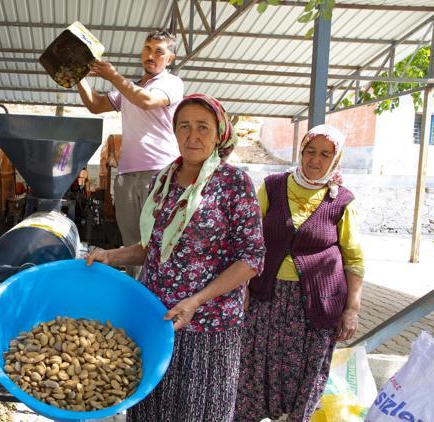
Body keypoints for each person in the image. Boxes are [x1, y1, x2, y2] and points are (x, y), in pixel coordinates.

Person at [86, 93, 265, 420]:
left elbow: (251, 259)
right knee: (151, 409)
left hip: (209, 326)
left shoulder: (233, 183)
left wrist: (196, 301)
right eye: (184, 126)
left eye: (202, 127)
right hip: (156, 318)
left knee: (199, 412)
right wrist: (110, 256)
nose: (192, 136)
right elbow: (151, 247)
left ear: (219, 133)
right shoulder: (162, 180)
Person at [235, 124, 364, 422]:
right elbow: (247, 238)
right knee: (254, 369)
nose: (315, 160)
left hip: (317, 304)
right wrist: (243, 286)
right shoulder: (273, 186)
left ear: (336, 158)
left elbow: (354, 259)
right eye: (310, 151)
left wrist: (352, 309)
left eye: (324, 154)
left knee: (306, 374)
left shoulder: (342, 201)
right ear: (301, 151)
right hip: (267, 296)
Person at [77, 30, 184, 256]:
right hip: (126, 175)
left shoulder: (172, 83)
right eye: (147, 48)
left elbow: (146, 101)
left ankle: (155, 291)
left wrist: (114, 76)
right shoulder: (129, 88)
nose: (151, 55)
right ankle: (135, 290)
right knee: (131, 245)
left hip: (159, 173)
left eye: (159, 51)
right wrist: (77, 75)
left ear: (170, 59)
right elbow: (95, 105)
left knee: (156, 242)